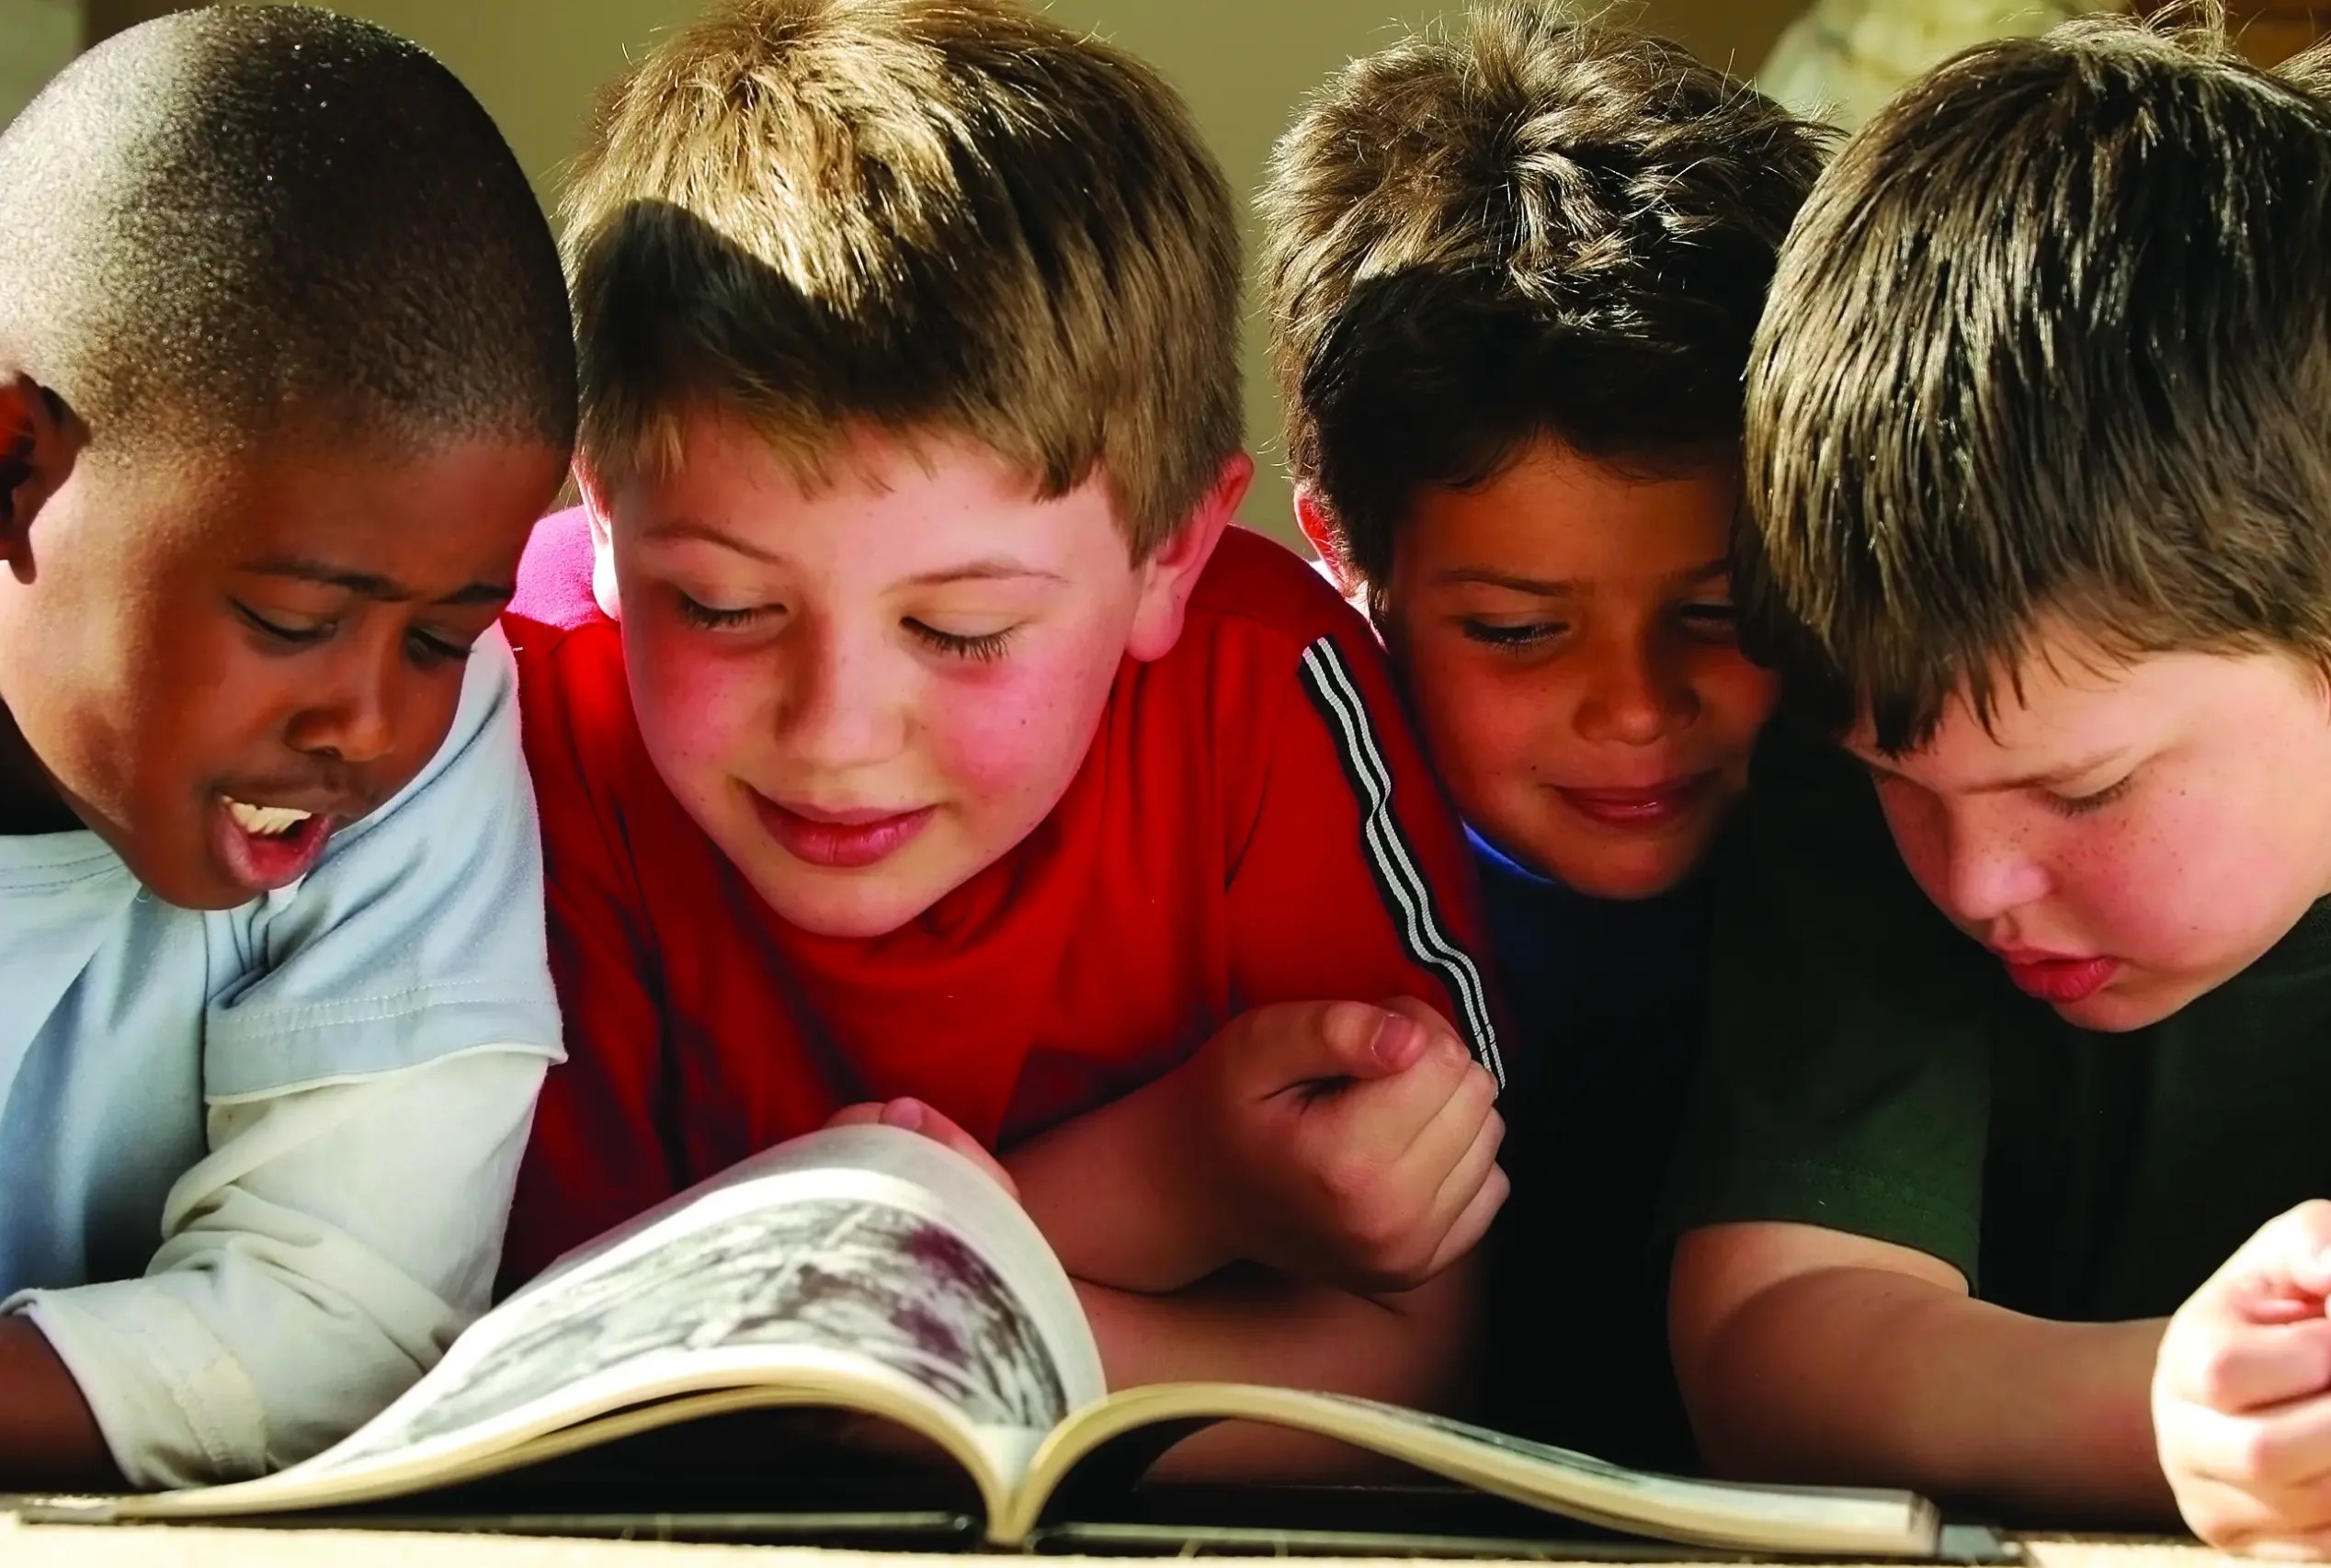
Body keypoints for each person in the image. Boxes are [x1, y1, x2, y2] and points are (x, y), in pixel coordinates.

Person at [502, 0, 1504, 1464]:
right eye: (720, 606)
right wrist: (1169, 1182)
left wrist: (864, 1341)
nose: (835, 735)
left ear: (1169, 556)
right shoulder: (523, 704)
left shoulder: (1268, 687)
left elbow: (1423, 1340)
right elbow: (549, 1368)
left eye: (962, 631)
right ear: (599, 511)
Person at [1661, 13, 2331, 1525]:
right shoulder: (1873, 784)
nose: (1974, 881)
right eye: (1902, 784)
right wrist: (2179, 1411)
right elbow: (1779, 1338)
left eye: (2086, 791)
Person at [0, 6, 576, 1487]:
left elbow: (343, 1323)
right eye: (295, 616)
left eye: (441, 635)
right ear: (2, 475)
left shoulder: (427, 758)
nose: (373, 725)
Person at [1261, 2, 1825, 1468]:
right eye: (1518, 630)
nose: (1636, 708)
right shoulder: (1266, 851)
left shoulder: (1918, 841)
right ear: (1344, 556)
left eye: (1718, 612)